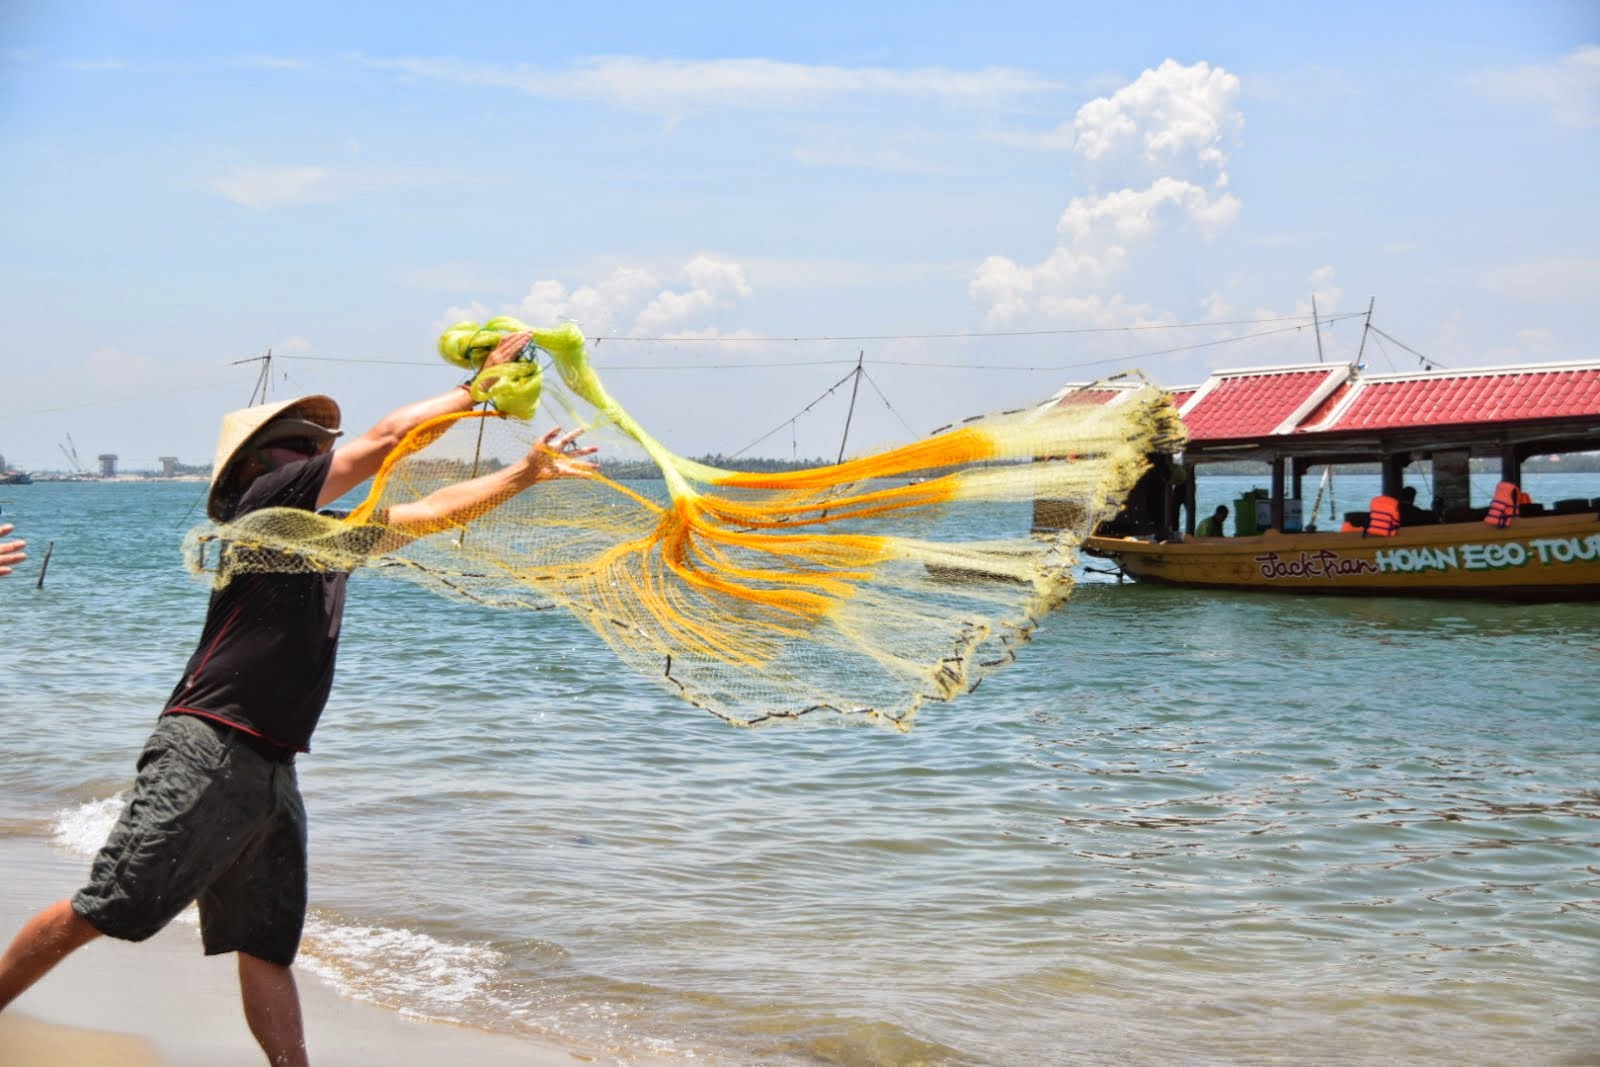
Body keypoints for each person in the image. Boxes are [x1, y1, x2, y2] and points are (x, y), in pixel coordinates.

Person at [0, 331, 598, 1066]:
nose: (316, 456)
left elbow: (432, 509)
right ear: (259, 465)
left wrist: (526, 474)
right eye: (302, 447)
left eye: (320, 445)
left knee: (268, 941)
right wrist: (475, 393)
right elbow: (384, 438)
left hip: (273, 767)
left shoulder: (323, 540)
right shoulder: (260, 508)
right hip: (208, 745)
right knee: (107, 908)